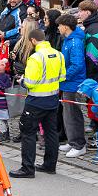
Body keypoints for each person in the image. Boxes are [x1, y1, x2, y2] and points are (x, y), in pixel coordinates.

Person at [10, 29, 65, 178]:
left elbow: (30, 82)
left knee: (28, 133)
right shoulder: (59, 54)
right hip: (53, 99)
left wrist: (22, 80)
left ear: (33, 40)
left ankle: (27, 168)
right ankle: (50, 165)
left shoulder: (36, 58)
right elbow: (62, 77)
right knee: (51, 132)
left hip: (36, 101)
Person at [55, 14, 87, 158]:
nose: (58, 28)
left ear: (66, 26)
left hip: (73, 84)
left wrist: (63, 76)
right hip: (67, 83)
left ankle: (79, 144)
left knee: (73, 115)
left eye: (59, 25)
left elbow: (77, 65)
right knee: (67, 114)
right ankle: (72, 140)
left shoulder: (75, 42)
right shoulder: (68, 40)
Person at [77, 0, 98, 83]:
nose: (78, 14)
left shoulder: (93, 31)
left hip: (94, 75)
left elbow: (92, 57)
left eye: (81, 11)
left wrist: (88, 76)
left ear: (88, 12)